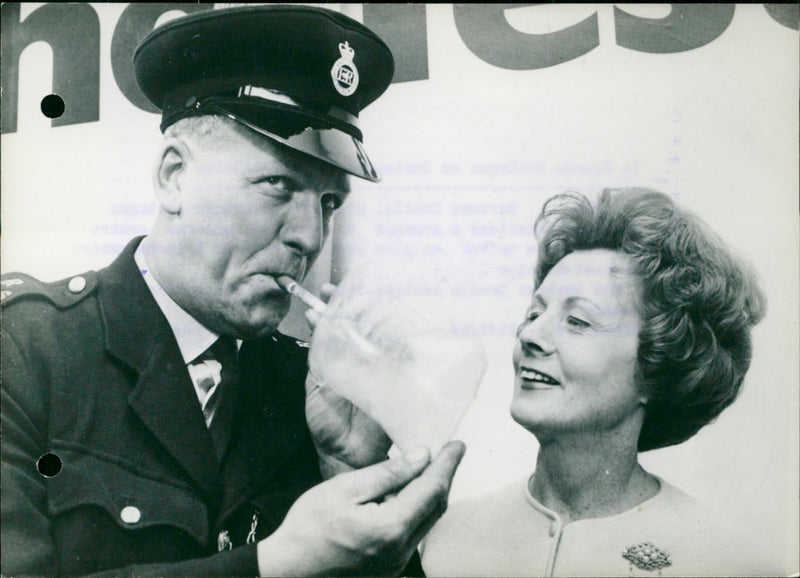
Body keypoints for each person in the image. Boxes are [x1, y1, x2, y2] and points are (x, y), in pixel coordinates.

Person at [1, 6, 464, 577]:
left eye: (328, 203)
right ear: (174, 177)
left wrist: (344, 469)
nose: (309, 236)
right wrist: (275, 564)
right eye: (277, 185)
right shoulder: (25, 350)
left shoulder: (313, 392)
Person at [420, 187, 773, 577]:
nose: (530, 335)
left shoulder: (724, 560)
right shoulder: (444, 535)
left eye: (577, 321)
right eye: (534, 312)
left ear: (657, 369)